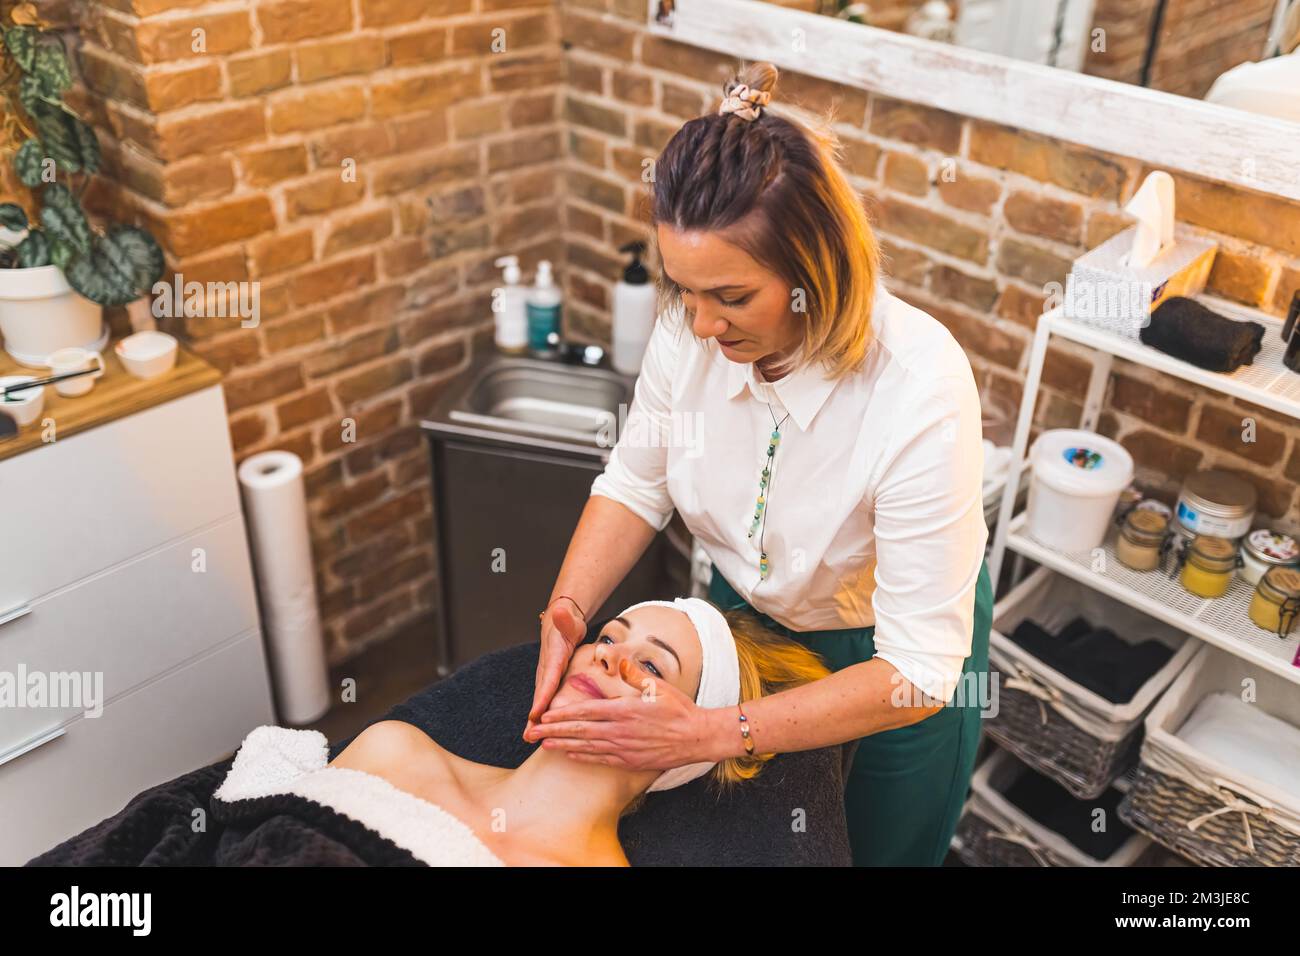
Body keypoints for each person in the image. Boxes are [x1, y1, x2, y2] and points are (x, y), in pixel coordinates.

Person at [526, 62, 994, 867]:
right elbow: (637, 482)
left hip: (883, 655)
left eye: (733, 298)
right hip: (738, 621)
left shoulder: (919, 385)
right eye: (684, 292)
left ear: (815, 269)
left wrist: (710, 731)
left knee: (873, 851)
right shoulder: (689, 327)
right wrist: (569, 609)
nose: (701, 324)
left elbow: (918, 667)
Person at [316, 598, 827, 865]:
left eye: (650, 668)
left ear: (685, 744)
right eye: (608, 636)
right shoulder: (396, 752)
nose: (608, 655)